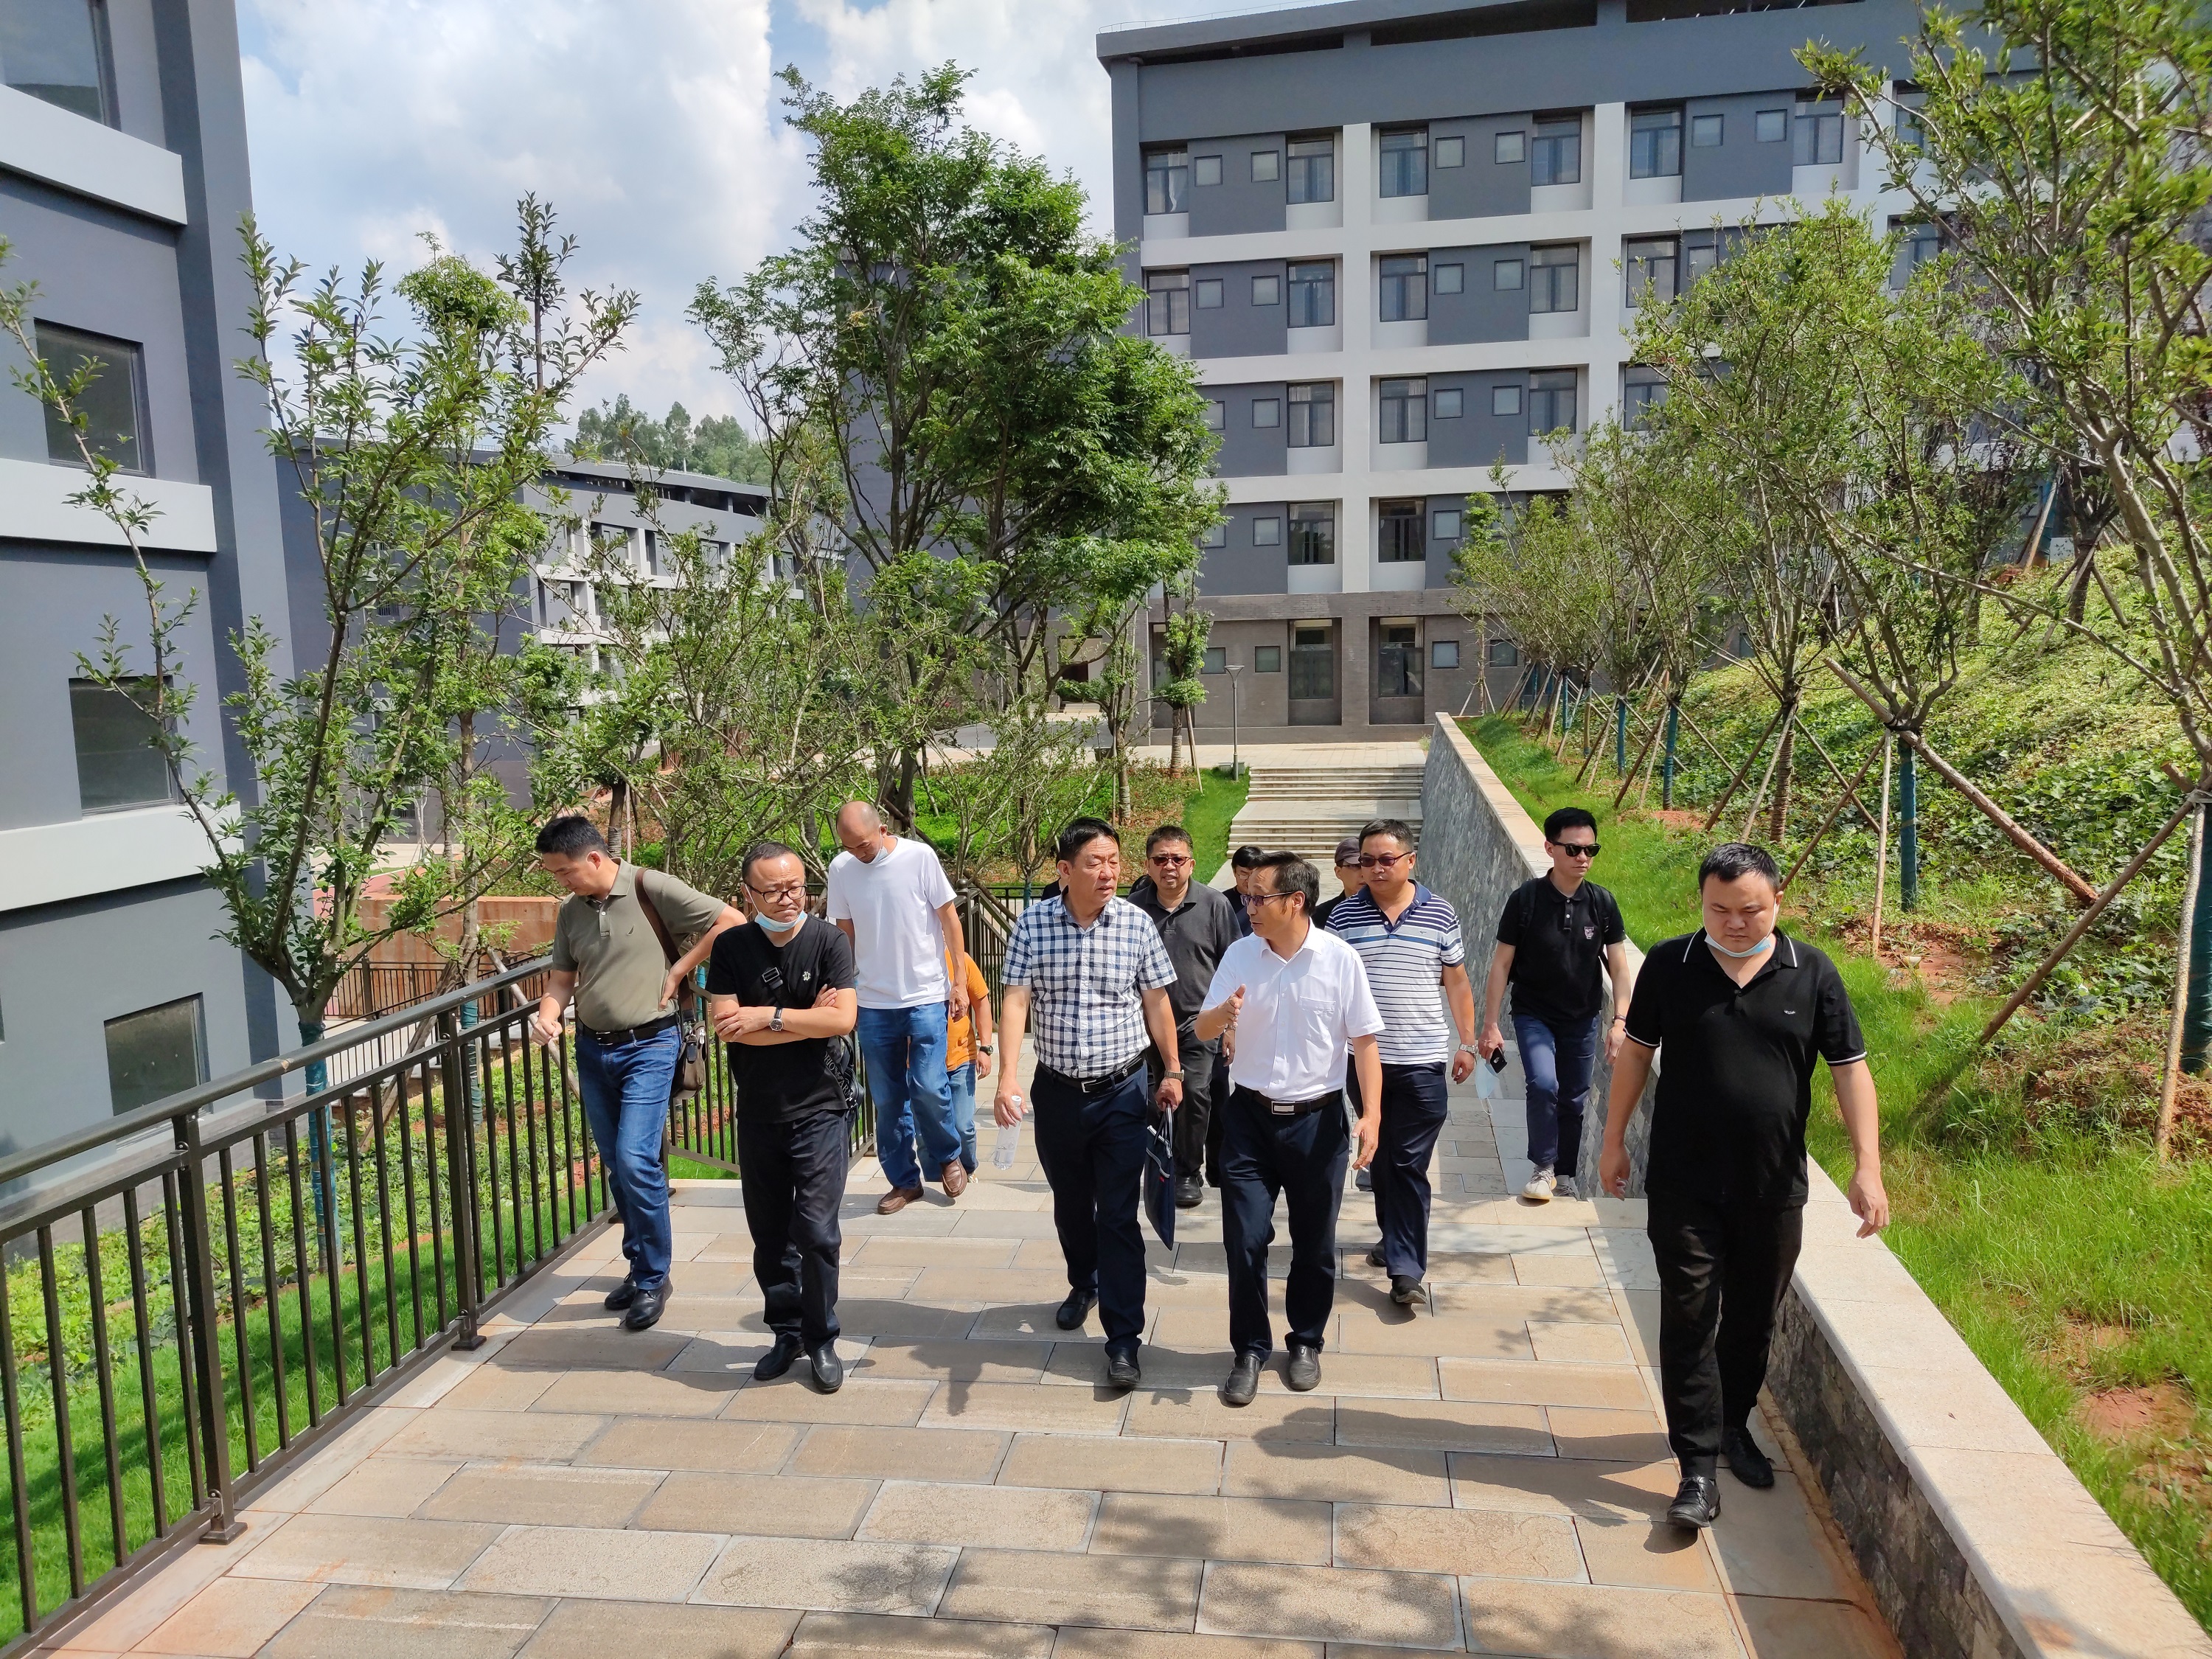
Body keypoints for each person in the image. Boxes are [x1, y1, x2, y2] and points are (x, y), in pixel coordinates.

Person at [1598, 842, 1890, 1532]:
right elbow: (1636, 1052)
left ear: (1778, 902)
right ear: (1701, 904)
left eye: (1750, 910)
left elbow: (1850, 1069)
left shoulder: (1811, 971)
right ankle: (1696, 1467)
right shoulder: (1671, 963)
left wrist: (1867, 1164)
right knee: (1689, 1316)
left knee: (1754, 1319)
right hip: (1685, 1183)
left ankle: (1733, 1424)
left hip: (1772, 1185)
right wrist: (1613, 1140)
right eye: (1719, 909)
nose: (1734, 923)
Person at [994, 819, 1184, 1391]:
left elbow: (1157, 1002)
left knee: (1118, 1216)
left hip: (1122, 1091)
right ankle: (1085, 1281)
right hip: (1057, 1093)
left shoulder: (1135, 923)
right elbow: (1015, 1000)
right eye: (1095, 862)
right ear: (1065, 870)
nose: (1108, 873)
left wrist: (1172, 1069)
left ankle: (1123, 1340)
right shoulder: (1032, 924)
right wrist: (1008, 1077)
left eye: (1114, 862)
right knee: (1072, 1205)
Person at [531, 816, 740, 1331]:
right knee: (615, 1162)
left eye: (564, 871)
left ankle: (652, 1278)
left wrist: (681, 967)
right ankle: (639, 1263)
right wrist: (548, 1015)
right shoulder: (571, 912)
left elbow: (731, 920)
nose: (560, 880)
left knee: (634, 1158)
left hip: (651, 1044)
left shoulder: (650, 886)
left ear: (594, 858)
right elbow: (561, 980)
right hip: (592, 1049)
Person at [1197, 852, 1384, 1403]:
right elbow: (1203, 1026)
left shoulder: (1340, 960)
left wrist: (1371, 1115)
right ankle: (1249, 1349)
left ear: (1296, 901)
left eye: (1259, 898)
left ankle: (1305, 1341)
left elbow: (1365, 1042)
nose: (1249, 907)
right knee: (1245, 1240)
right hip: (1249, 1119)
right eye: (1246, 897)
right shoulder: (1240, 954)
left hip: (1317, 1123)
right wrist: (1223, 1016)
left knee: (1315, 1244)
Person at [704, 842, 859, 1391]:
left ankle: (821, 1337)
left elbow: (841, 1021)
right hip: (759, 1110)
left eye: (796, 887)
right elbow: (728, 1027)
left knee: (816, 1231)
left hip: (821, 1107)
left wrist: (766, 1017)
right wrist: (802, 1019)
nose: (788, 898)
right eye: (773, 891)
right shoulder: (731, 947)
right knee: (770, 1236)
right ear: (748, 894)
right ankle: (786, 1332)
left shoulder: (829, 941)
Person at [1326, 818, 1478, 1307]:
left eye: (1386, 859)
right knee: (1384, 1160)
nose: (1375, 868)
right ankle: (1395, 1238)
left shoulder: (1440, 913)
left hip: (1422, 1060)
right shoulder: (1343, 918)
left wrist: (1468, 1042)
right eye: (1366, 861)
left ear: (1410, 861)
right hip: (1363, 1064)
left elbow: (1457, 980)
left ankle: (1406, 1270)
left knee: (1407, 1161)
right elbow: (1327, 988)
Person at [1477, 807, 1632, 1203]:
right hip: (1533, 1014)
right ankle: (1543, 1167)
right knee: (1544, 1084)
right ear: (1550, 848)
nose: (1583, 858)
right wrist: (1490, 1024)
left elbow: (1619, 966)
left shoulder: (1602, 903)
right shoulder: (1526, 900)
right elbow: (1502, 964)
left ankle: (1565, 1176)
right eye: (1573, 849)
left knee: (1574, 1098)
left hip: (1582, 1018)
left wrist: (1620, 1021)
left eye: (1590, 850)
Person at [826, 801, 971, 1214]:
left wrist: (959, 981)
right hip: (873, 1000)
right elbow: (845, 933)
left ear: (883, 829)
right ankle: (904, 1182)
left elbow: (949, 919)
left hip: (925, 994)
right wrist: (843, 988)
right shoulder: (841, 869)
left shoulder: (919, 857)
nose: (859, 853)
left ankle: (947, 1155)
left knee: (928, 1085)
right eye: (850, 847)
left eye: (864, 844)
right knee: (888, 1098)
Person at [1128, 824, 1243, 1210]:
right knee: (1147, 1097)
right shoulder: (1132, 909)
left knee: (1194, 1093)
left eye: (1178, 859)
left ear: (1191, 864)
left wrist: (1230, 1026)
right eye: (1161, 859)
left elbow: (1233, 965)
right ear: (1148, 865)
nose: (1169, 867)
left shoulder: (1214, 905)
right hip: (1143, 1024)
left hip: (1199, 1023)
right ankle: (1155, 1162)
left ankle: (1187, 1170)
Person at [944, 945, 995, 1173]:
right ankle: (936, 1176)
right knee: (924, 1132)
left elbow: (981, 1002)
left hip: (961, 1057)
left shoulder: (961, 961)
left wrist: (985, 1048)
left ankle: (968, 1168)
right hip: (921, 1060)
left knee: (962, 1126)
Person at [1310, 837, 1366, 931]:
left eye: (1368, 864)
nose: (1363, 873)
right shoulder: (1321, 915)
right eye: (1355, 866)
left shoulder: (1388, 910)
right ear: (1338, 872)